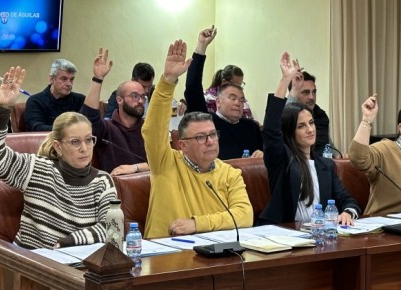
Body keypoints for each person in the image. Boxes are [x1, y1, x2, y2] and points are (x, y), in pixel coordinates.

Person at [0, 66, 116, 249]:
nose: (84, 148)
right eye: (75, 142)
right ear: (58, 147)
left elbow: (111, 227)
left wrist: (70, 242)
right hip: (34, 264)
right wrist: (3, 108)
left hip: (79, 266)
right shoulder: (37, 169)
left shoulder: (103, 180)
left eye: (89, 140)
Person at [142, 39, 253, 238]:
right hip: (165, 258)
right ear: (183, 145)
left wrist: (197, 224)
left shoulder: (229, 174)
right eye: (200, 137)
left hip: (211, 256)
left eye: (213, 135)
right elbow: (153, 129)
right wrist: (167, 81)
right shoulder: (165, 163)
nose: (210, 142)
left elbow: (244, 216)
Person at [258, 52, 361, 225]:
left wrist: (348, 214)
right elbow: (271, 129)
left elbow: (348, 200)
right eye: (301, 126)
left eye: (311, 123)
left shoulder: (326, 165)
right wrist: (285, 80)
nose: (310, 129)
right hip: (285, 233)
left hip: (319, 234)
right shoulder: (282, 160)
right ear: (290, 132)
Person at [184, 26, 263, 159]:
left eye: (242, 100)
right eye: (232, 98)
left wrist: (262, 155)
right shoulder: (207, 121)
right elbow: (192, 88)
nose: (238, 103)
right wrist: (201, 46)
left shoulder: (251, 127)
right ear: (218, 102)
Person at [79, 48, 150, 175]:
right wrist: (98, 79)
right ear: (119, 100)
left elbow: (164, 162)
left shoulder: (149, 129)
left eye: (143, 96)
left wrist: (136, 167)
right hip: (115, 190)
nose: (140, 101)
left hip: (150, 188)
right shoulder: (107, 128)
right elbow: (87, 119)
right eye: (134, 96)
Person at [287, 71, 340, 157]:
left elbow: (327, 142)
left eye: (314, 92)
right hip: (298, 164)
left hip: (322, 165)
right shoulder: (287, 117)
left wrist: (338, 156)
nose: (311, 97)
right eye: (306, 92)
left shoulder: (321, 115)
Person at [25, 59, 86, 131]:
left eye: (71, 79)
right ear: (51, 79)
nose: (69, 84)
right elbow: (37, 128)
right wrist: (69, 130)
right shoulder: (35, 101)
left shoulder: (80, 100)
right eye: (64, 79)